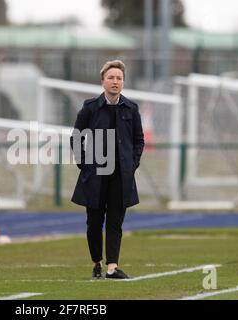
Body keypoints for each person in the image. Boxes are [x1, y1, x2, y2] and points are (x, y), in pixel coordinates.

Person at [70, 60, 144, 280]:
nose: (115, 82)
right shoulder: (90, 107)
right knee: (94, 223)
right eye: (111, 78)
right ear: (103, 81)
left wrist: (132, 164)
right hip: (95, 176)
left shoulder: (131, 108)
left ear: (123, 82)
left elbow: (139, 140)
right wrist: (84, 164)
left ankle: (112, 267)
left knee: (115, 222)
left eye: (119, 78)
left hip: (121, 176)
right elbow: (76, 137)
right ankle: (97, 263)